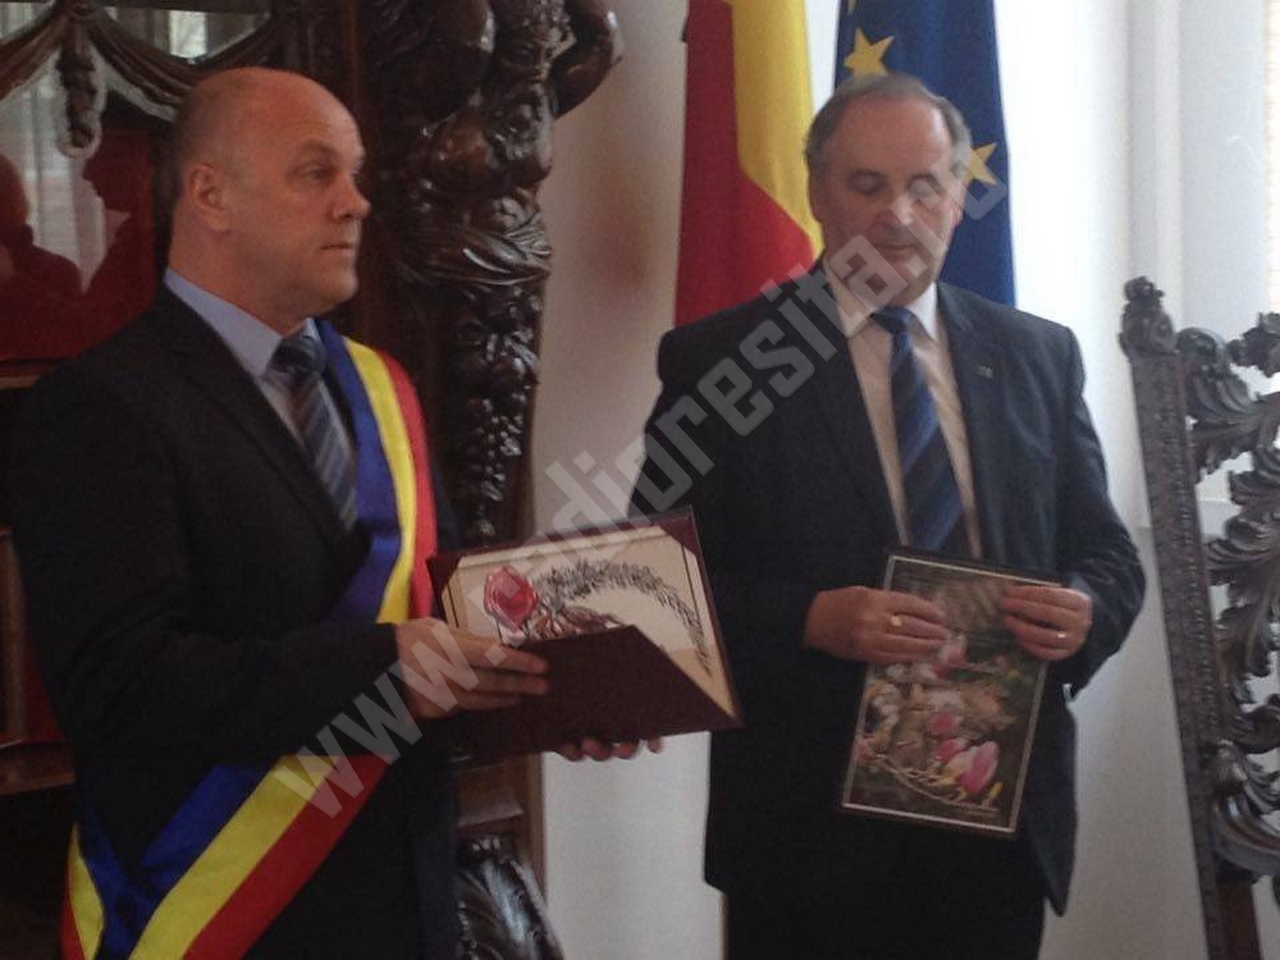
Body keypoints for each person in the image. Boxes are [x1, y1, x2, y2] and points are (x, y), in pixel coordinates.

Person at [10, 67, 565, 960]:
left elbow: (443, 623)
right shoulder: (101, 407)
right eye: (316, 173)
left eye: (356, 175)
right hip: (227, 916)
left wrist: (566, 699)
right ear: (210, 195)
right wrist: (380, 669)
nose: (356, 202)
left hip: (408, 905)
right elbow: (120, 688)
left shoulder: (383, 387)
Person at [632, 73, 1145, 960]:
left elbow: (1107, 553)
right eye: (867, 185)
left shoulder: (1038, 354)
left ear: (959, 194)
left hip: (996, 815)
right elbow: (648, 579)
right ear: (817, 193)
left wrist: (1086, 609)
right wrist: (810, 620)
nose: (898, 216)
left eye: (925, 186)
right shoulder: (725, 363)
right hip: (807, 832)